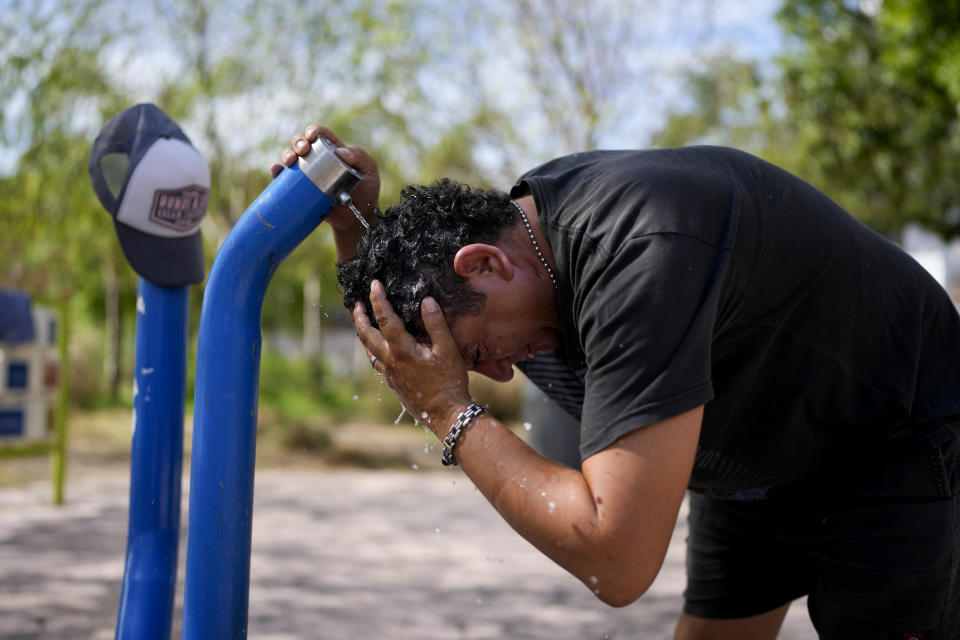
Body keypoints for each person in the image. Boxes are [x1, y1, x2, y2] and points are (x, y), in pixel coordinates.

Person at [273, 126, 960, 639]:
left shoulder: (637, 255)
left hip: (889, 438)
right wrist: (351, 227)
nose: (505, 373)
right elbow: (407, 350)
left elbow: (616, 559)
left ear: (484, 264)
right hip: (755, 442)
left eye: (481, 351)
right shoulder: (516, 265)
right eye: (478, 369)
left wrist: (452, 413)